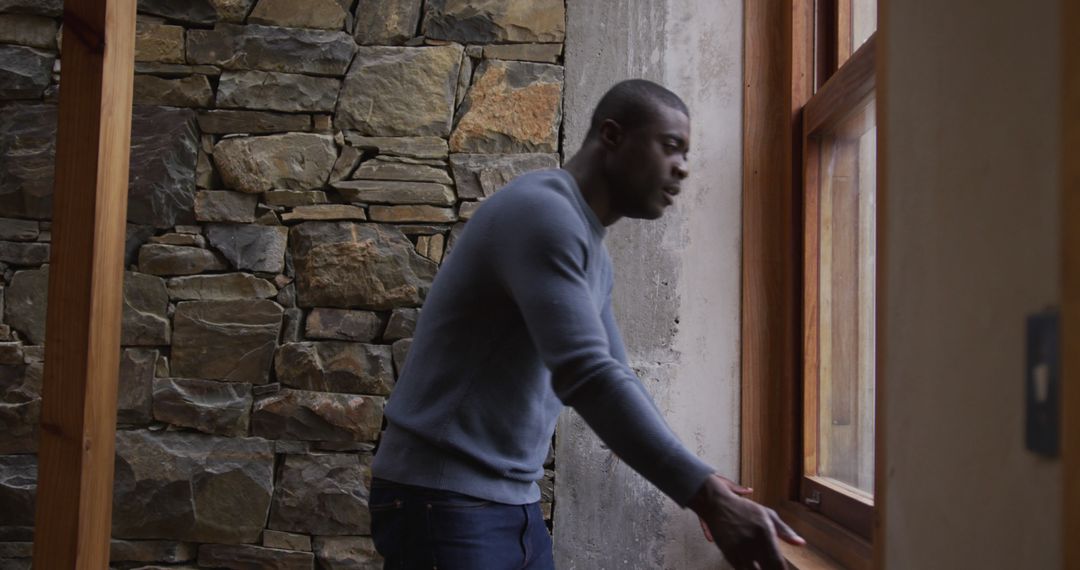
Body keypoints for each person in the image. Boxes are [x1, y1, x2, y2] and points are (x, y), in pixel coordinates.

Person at [368, 79, 805, 570]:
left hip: (508, 501)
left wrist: (705, 481)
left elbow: (616, 375)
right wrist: (703, 495)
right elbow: (588, 375)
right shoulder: (542, 213)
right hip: (443, 498)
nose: (683, 166)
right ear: (612, 136)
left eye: (686, 152)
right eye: (670, 146)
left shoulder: (588, 247)